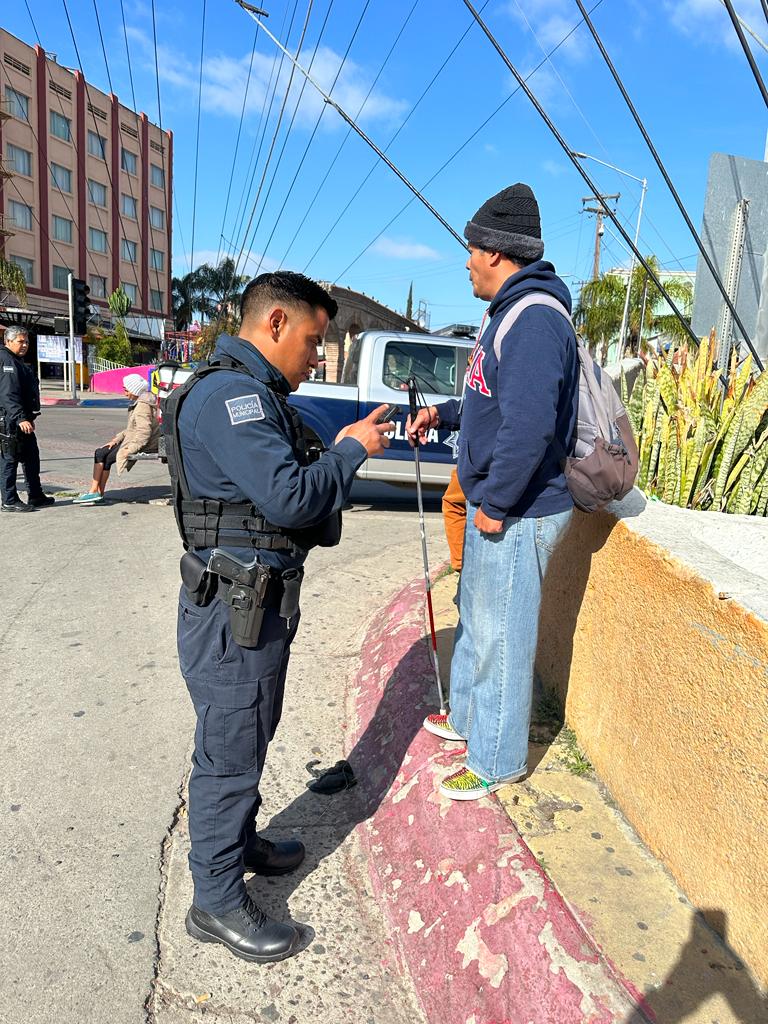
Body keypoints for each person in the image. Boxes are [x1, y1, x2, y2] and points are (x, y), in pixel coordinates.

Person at [166, 271, 393, 964]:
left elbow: (291, 504)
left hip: (253, 606)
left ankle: (237, 843)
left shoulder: (256, 397)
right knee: (230, 751)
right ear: (274, 324)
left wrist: (342, 452)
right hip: (235, 610)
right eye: (314, 340)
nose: (318, 356)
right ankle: (216, 902)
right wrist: (351, 451)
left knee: (250, 734)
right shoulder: (232, 398)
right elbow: (294, 499)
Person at [407, 183, 579, 801]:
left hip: (519, 509)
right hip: (496, 503)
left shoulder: (534, 320)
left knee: (503, 635)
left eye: (472, 250)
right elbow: (491, 400)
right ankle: (468, 722)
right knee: (476, 622)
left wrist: (497, 503)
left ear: (499, 254)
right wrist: (446, 416)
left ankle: (498, 758)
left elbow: (529, 427)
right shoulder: (506, 313)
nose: (467, 261)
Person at [73, 373, 159, 504]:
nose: (124, 393)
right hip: (131, 439)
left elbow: (144, 433)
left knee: (105, 457)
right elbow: (131, 428)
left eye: (126, 389)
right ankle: (95, 492)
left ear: (135, 390)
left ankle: (95, 493)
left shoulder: (142, 406)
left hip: (138, 443)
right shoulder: (139, 403)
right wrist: (116, 440)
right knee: (100, 452)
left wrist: (129, 450)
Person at [0, 326, 54, 512]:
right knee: (10, 460)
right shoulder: (6, 360)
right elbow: (8, 395)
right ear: (8, 341)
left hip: (23, 419)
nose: (24, 345)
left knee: (31, 457)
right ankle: (9, 500)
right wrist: (20, 418)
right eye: (20, 341)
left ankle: (35, 495)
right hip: (11, 421)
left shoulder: (16, 360)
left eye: (27, 341)